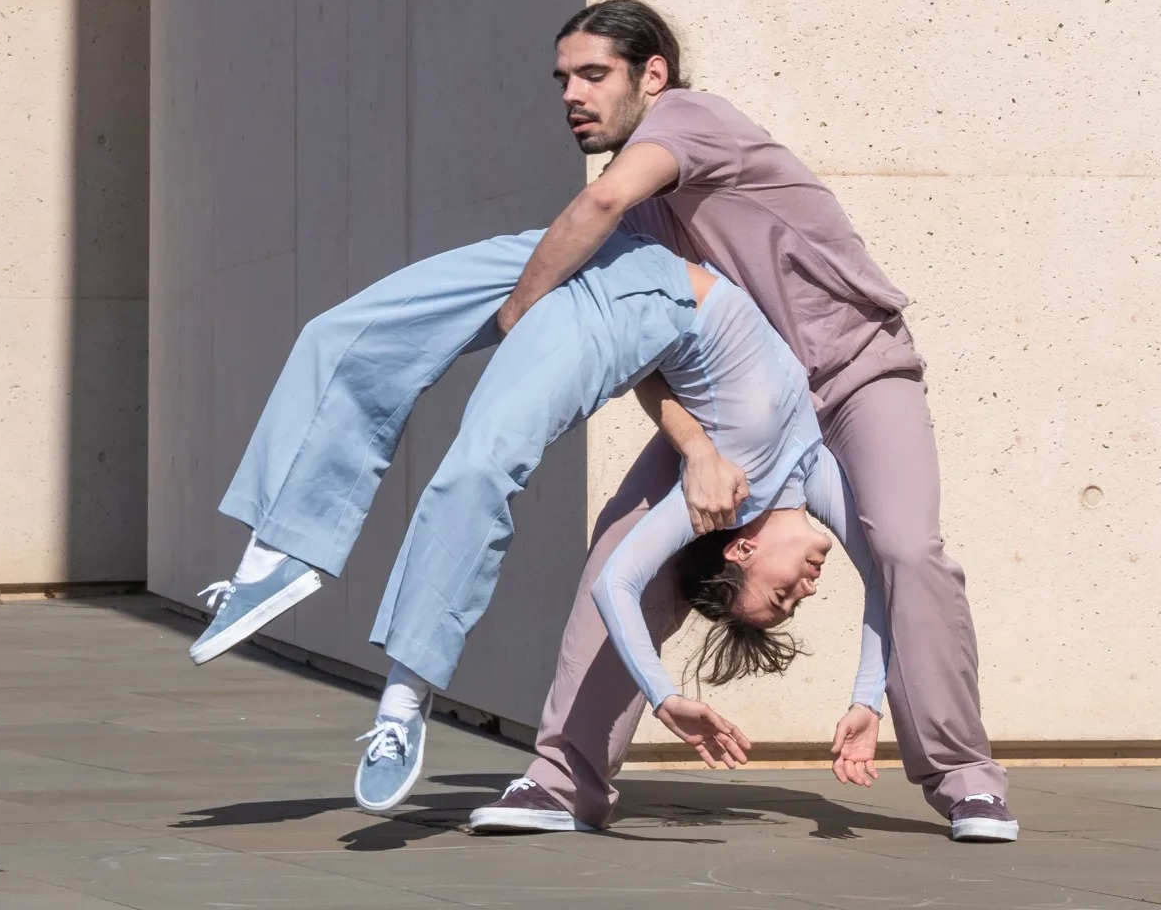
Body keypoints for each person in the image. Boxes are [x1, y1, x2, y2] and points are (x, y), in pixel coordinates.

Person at [466, 0, 1017, 844]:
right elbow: (650, 357)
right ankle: (561, 781)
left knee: (906, 547)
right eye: (563, 79)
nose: (572, 94)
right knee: (619, 553)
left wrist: (514, 318)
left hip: (853, 372)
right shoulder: (637, 221)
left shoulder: (690, 125)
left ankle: (965, 778)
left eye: (592, 74)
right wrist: (692, 450)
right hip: (742, 410)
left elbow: (601, 200)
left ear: (653, 76)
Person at [184, 222, 888, 815]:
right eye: (794, 597)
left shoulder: (714, 499)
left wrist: (665, 698)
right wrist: (868, 702)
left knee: (479, 466)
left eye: (782, 597)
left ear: (738, 555)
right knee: (342, 334)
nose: (808, 587)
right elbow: (888, 583)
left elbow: (617, 585)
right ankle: (274, 558)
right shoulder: (809, 472)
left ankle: (403, 699)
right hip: (594, 248)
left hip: (616, 314)